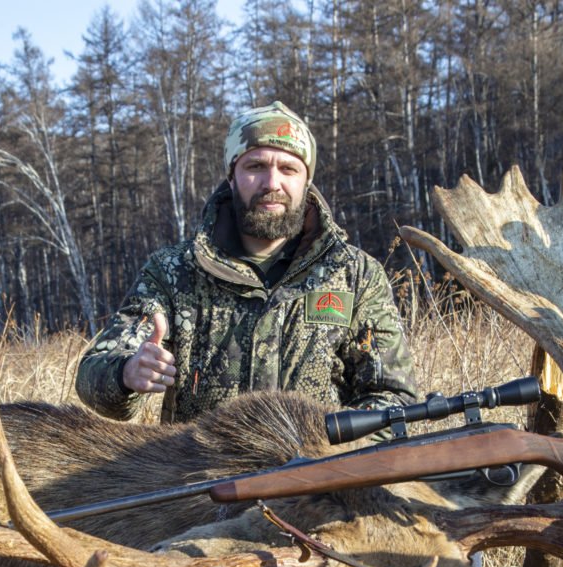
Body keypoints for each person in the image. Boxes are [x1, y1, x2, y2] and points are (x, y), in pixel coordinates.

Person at [75, 101, 419, 423]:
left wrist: (334, 447)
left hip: (320, 478)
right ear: (231, 175)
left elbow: (393, 397)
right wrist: (127, 374)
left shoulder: (355, 276)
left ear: (307, 181)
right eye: (255, 166)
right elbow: (93, 376)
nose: (272, 183)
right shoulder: (173, 272)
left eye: (288, 169)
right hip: (201, 481)